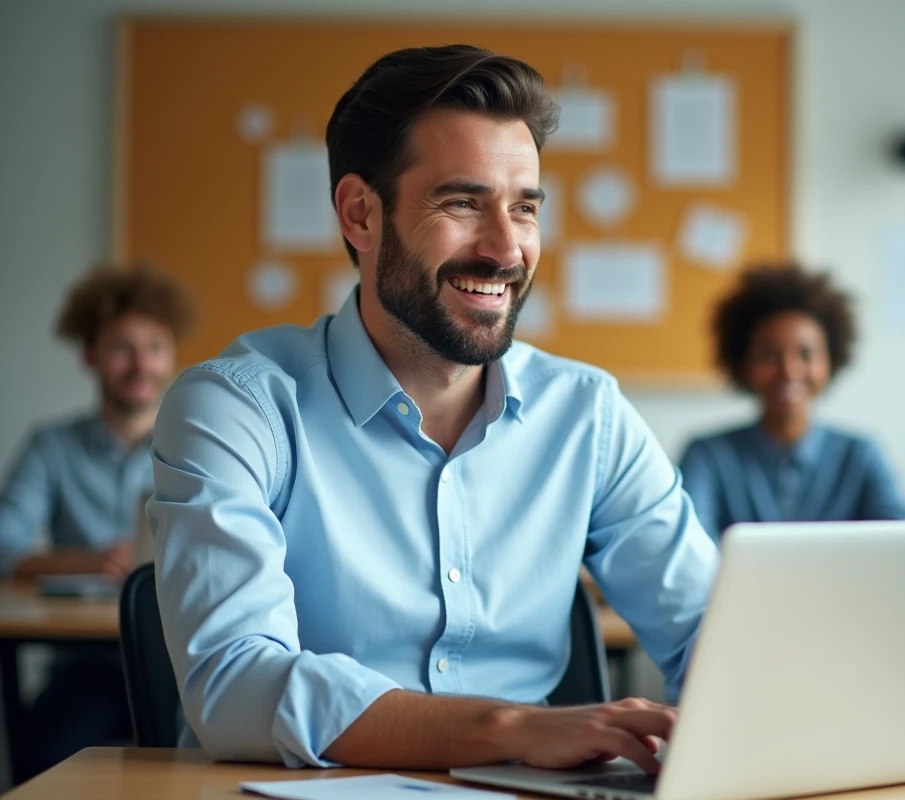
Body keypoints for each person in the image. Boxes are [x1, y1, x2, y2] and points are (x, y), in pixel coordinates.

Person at [148, 44, 718, 773]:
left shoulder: (588, 416)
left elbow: (713, 632)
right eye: (463, 203)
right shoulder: (236, 408)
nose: (506, 249)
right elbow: (235, 688)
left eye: (524, 208)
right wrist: (509, 729)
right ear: (360, 214)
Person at [0, 264, 196, 780]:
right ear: (90, 355)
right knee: (44, 759)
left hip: (185, 668)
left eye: (155, 347)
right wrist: (92, 561)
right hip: (84, 672)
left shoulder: (201, 448)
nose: (141, 364)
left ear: (172, 355)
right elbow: (4, 542)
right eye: (121, 348)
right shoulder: (51, 447)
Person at [679, 265, 905, 540]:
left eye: (806, 354)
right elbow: (689, 545)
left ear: (829, 363)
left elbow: (904, 542)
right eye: (769, 355)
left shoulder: (861, 456)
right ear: (743, 365)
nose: (789, 371)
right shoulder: (708, 457)